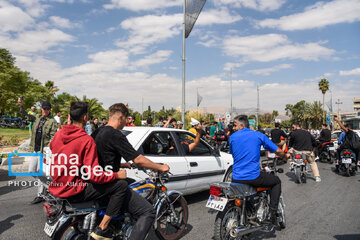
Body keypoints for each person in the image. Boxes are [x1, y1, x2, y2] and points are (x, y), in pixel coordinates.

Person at [49, 101, 129, 240]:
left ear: (69, 116)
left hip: (57, 186)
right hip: (75, 190)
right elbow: (94, 176)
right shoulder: (86, 140)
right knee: (121, 185)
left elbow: (54, 149)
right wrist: (116, 174)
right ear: (85, 118)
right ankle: (102, 228)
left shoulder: (58, 135)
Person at [94, 103, 170, 240]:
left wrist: (122, 164)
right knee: (148, 212)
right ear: (121, 118)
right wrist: (160, 167)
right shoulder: (115, 134)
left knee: (133, 183)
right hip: (110, 184)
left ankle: (120, 221)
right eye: (126, 119)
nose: (126, 122)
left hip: (98, 179)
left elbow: (103, 156)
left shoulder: (97, 131)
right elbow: (138, 159)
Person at [229, 115, 289, 225]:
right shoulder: (258, 135)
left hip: (236, 177)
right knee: (276, 181)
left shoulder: (232, 137)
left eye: (235, 125)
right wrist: (285, 157)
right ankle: (272, 212)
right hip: (252, 176)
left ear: (241, 126)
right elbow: (278, 151)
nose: (233, 128)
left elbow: (233, 154)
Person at [18, 99, 57, 204]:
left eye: (48, 109)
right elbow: (25, 116)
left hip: (43, 151)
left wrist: (48, 151)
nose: (46, 110)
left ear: (50, 110)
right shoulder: (37, 118)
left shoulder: (52, 121)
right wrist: (21, 106)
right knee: (31, 170)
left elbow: (53, 137)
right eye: (44, 108)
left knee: (40, 172)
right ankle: (47, 187)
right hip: (35, 149)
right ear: (41, 109)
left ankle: (40, 194)